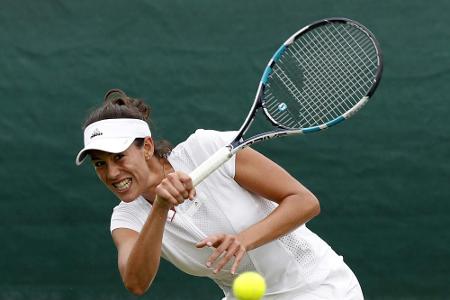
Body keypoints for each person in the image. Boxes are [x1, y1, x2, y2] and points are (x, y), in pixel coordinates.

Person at [75, 89, 364, 300]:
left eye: (119, 157)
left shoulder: (209, 149)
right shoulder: (126, 218)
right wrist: (160, 207)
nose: (112, 173)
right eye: (100, 163)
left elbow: (304, 202)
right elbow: (136, 282)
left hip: (322, 288)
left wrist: (243, 240)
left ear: (147, 147)